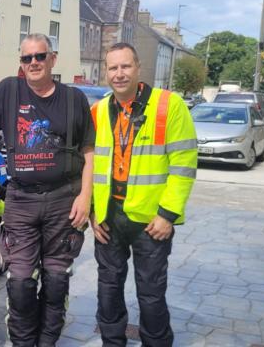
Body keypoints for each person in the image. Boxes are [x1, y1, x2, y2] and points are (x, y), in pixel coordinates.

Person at [0, 33, 94, 347]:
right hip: (21, 200)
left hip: (63, 201)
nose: (33, 63)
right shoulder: (8, 91)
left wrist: (86, 196)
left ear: (52, 59)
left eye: (39, 56)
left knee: (56, 281)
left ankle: (46, 342)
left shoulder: (74, 99)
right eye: (26, 58)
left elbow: (88, 151)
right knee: (19, 283)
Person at [90, 42, 197, 347]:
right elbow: (88, 167)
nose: (119, 74)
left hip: (152, 220)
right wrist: (95, 212)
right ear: (105, 72)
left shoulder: (169, 105)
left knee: (150, 294)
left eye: (125, 66)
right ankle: (112, 342)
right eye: (113, 68)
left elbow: (184, 164)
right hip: (109, 217)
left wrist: (167, 214)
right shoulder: (97, 112)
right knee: (108, 289)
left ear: (138, 68)